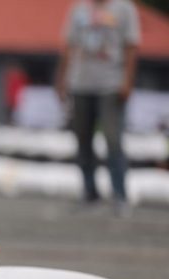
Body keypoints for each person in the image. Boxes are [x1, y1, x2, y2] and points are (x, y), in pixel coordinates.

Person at [55, 0, 140, 217]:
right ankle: (90, 193)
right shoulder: (79, 9)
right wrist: (62, 79)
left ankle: (119, 195)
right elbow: (69, 46)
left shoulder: (124, 9)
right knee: (83, 139)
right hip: (80, 83)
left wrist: (128, 81)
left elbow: (131, 47)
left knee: (113, 140)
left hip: (111, 85)